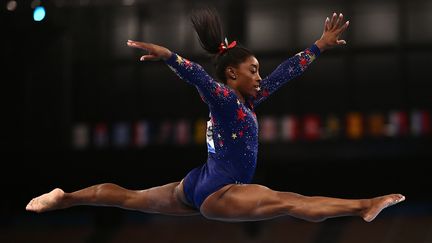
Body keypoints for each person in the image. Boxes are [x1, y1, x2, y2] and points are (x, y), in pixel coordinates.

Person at [26, 8, 404, 223]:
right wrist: (170, 57)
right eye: (253, 70)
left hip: (198, 182)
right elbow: (199, 79)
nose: (260, 76)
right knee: (291, 201)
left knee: (128, 197)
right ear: (231, 74)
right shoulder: (224, 98)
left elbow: (287, 72)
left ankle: (66, 198)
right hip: (220, 191)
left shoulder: (247, 102)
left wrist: (319, 46)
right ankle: (363, 205)